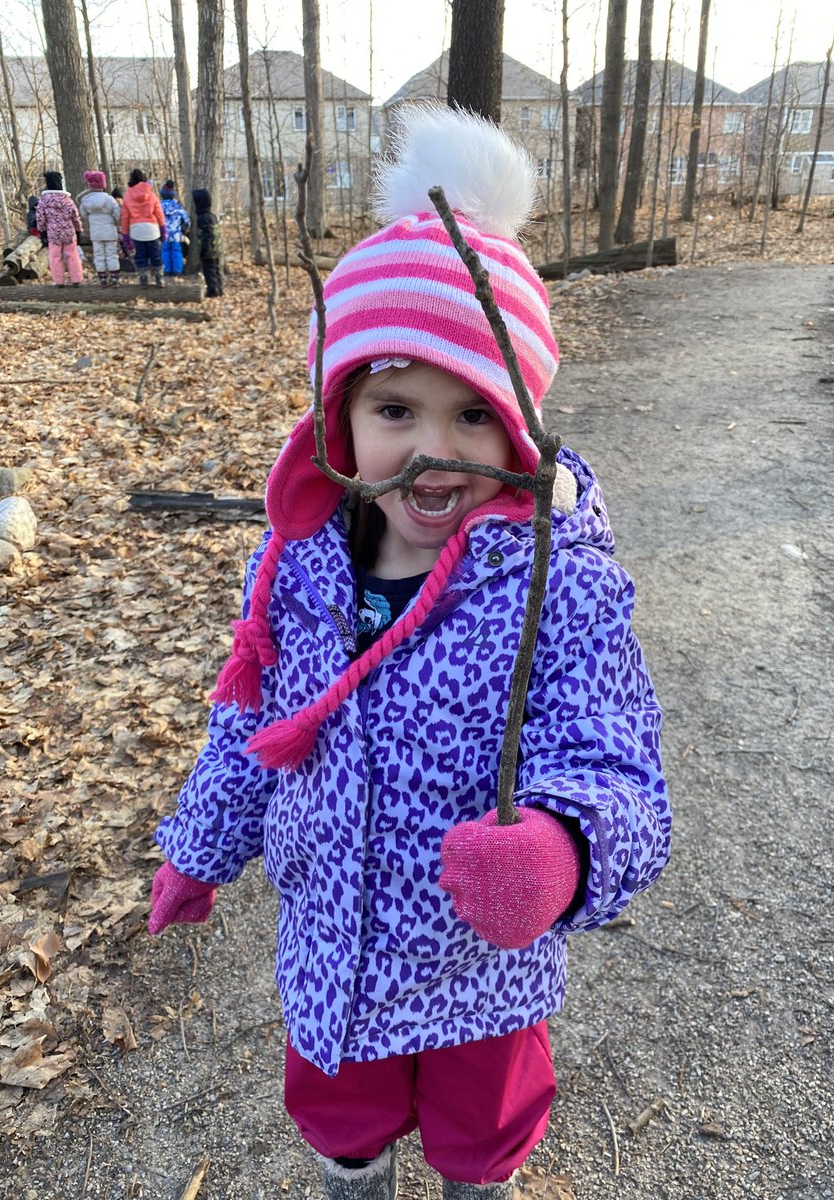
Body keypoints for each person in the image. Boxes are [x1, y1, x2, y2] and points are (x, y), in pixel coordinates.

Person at [149, 107, 670, 1200]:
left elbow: (618, 761)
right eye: (396, 407)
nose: (434, 449)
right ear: (339, 421)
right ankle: (356, 1180)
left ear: (522, 432)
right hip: (333, 946)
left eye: (475, 415)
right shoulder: (298, 567)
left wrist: (565, 848)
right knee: (340, 1116)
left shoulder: (557, 583)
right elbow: (253, 724)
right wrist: (200, 846)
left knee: (483, 1132)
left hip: (482, 964)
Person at [35, 170, 83, 287]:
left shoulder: (44, 201)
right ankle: (76, 279)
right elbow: (75, 216)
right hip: (69, 232)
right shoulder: (67, 200)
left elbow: (40, 218)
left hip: (53, 233)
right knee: (72, 255)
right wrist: (78, 230)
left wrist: (42, 232)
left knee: (55, 257)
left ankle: (59, 281)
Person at [120, 168, 165, 288]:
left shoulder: (127, 196)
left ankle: (143, 279)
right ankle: (159, 278)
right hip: (152, 229)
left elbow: (125, 217)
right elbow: (159, 213)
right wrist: (163, 229)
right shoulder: (152, 195)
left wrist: (125, 234)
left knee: (140, 256)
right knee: (156, 255)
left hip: (136, 230)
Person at [78, 171, 121, 287]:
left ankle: (102, 277)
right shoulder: (109, 199)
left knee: (98, 255)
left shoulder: (85, 200)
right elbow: (118, 214)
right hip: (110, 231)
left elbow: (83, 215)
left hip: (95, 232)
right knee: (112, 254)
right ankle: (114, 277)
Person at [192, 187, 222, 297]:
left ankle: (213, 290)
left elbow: (207, 234)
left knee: (209, 270)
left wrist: (204, 249)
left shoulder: (203, 218)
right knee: (216, 269)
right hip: (216, 248)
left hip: (208, 249)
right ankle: (219, 288)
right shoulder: (212, 216)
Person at [159, 179, 190, 276]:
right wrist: (184, 230)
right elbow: (186, 220)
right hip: (176, 234)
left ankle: (167, 270)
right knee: (177, 252)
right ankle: (177, 271)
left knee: (165, 252)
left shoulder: (159, 206)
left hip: (164, 234)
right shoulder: (178, 206)